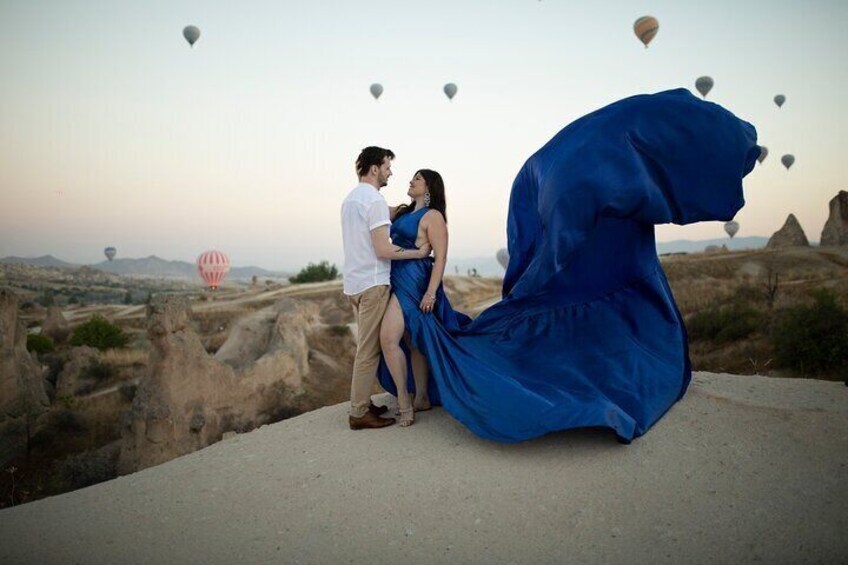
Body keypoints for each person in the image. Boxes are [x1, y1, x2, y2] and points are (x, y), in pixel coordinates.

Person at [376, 89, 760, 443]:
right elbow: (548, 259)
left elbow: (548, 249)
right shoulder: (578, 180)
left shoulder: (602, 161)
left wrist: (518, 299)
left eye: (416, 178)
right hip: (553, 196)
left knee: (617, 252)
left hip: (556, 203)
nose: (409, 181)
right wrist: (519, 300)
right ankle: (430, 393)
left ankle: (419, 399)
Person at [341, 146, 430, 430]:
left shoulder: (351, 200)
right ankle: (358, 413)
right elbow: (382, 248)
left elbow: (384, 217)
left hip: (353, 284)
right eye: (387, 166)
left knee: (366, 347)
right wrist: (417, 254)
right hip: (373, 284)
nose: (391, 172)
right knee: (368, 351)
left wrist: (402, 210)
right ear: (375, 168)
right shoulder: (375, 201)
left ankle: (364, 404)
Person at [379, 169, 455, 427]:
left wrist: (431, 292)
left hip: (415, 280)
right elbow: (373, 205)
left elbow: (441, 257)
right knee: (410, 340)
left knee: (389, 338)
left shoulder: (433, 216)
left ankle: (405, 401)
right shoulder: (402, 212)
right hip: (394, 275)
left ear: (430, 187)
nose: (410, 181)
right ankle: (421, 397)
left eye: (417, 178)